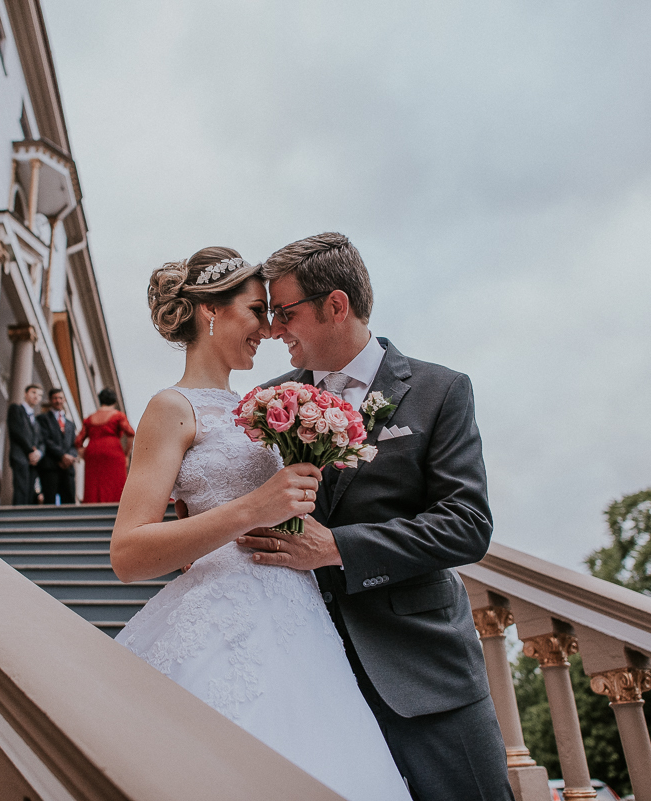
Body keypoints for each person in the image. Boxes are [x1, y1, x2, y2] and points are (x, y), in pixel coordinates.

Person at [110, 247, 411, 801]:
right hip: (224, 615)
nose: (270, 328)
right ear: (211, 312)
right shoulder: (171, 407)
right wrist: (254, 508)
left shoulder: (260, 404)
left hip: (300, 619)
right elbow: (128, 553)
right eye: (256, 311)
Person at [236, 232, 512, 801]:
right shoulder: (268, 401)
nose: (273, 331)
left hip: (422, 667)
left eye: (285, 313)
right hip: (307, 671)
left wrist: (338, 548)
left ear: (336, 305)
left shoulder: (440, 391)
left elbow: (467, 522)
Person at [75, 388, 135, 503]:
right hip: (113, 451)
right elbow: (131, 434)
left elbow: (78, 441)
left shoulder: (89, 418)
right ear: (114, 401)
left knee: (94, 483)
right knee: (115, 482)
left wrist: (83, 454)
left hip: (93, 451)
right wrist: (126, 454)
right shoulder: (118, 416)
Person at [37, 388, 78, 504]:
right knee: (49, 501)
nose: (58, 401)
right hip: (50, 467)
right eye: (55, 398)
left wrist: (69, 457)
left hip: (68, 468)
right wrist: (62, 456)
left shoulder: (70, 424)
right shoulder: (42, 419)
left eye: (60, 398)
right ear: (50, 400)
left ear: (64, 400)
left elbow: (74, 444)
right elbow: (45, 440)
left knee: (69, 501)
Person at [8, 384, 45, 505]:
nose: (36, 397)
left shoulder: (37, 421)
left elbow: (41, 441)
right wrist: (30, 451)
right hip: (20, 456)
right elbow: (16, 431)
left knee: (30, 493)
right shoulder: (16, 409)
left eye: (39, 395)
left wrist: (39, 453)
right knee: (20, 490)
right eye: (33, 392)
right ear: (26, 393)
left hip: (34, 462)